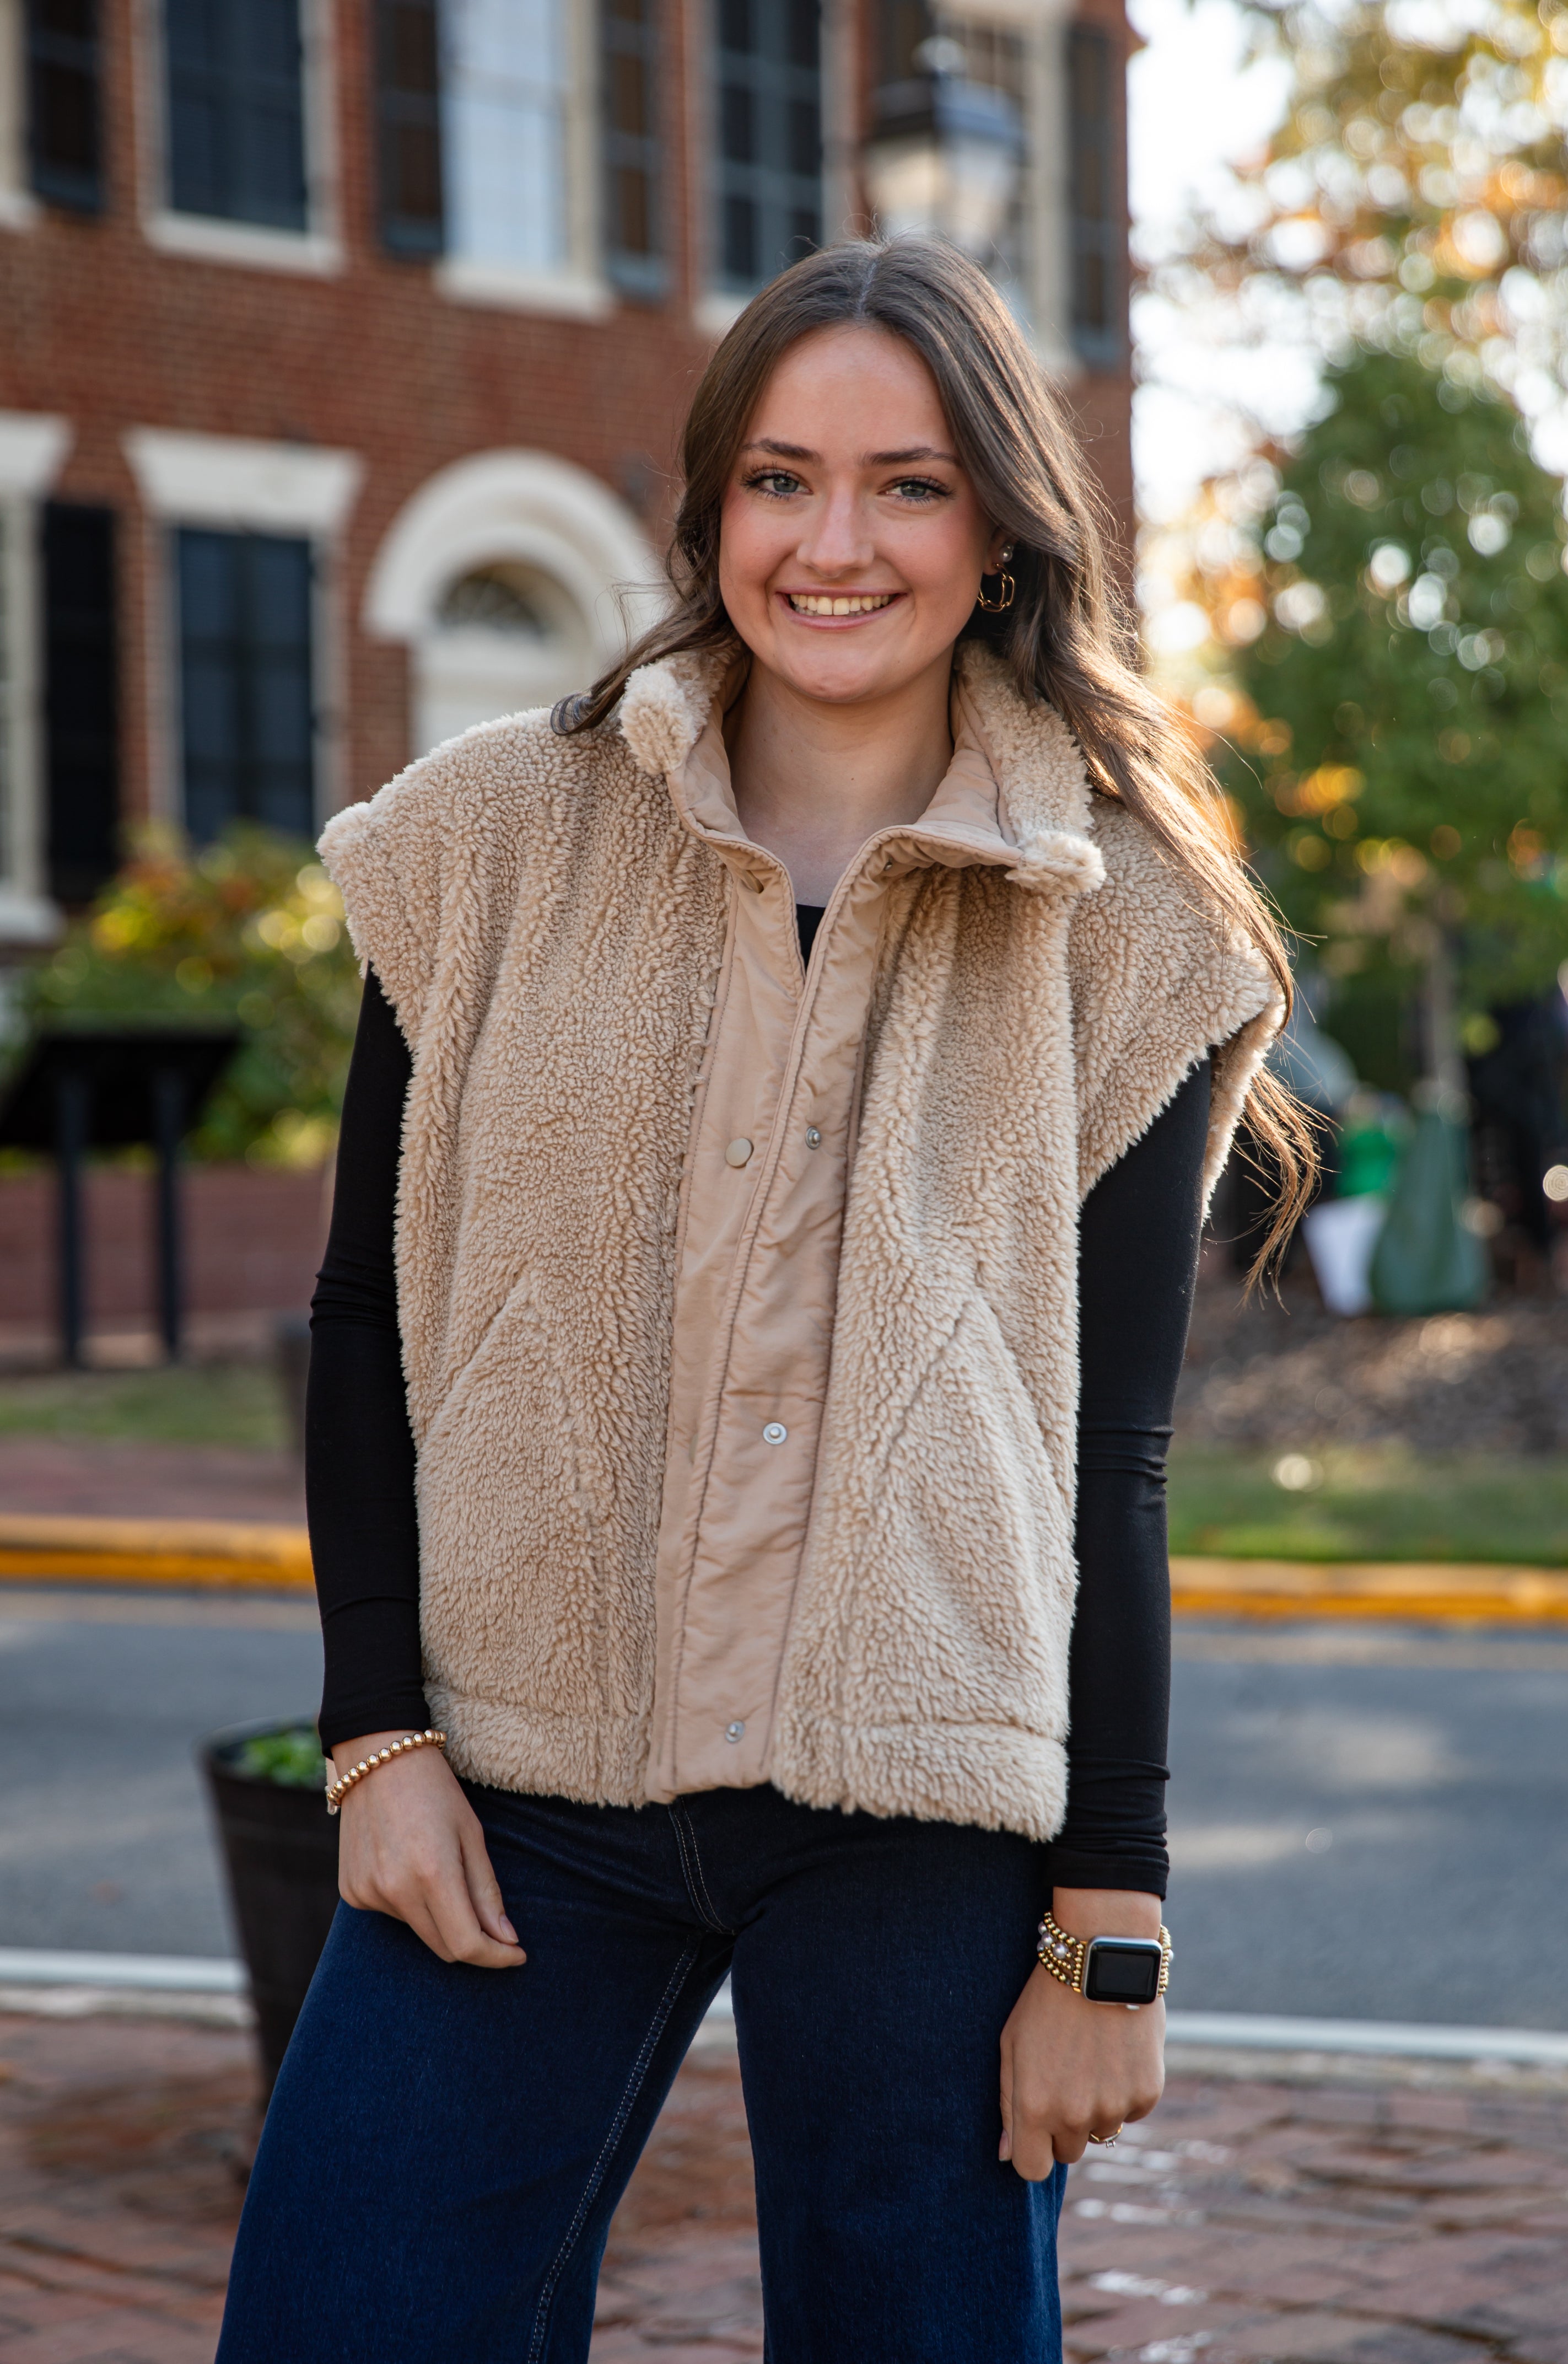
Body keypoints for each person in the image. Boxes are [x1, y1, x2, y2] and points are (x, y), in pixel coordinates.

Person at [217, 239, 1308, 2362]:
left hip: (918, 1812)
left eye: (908, 485)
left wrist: (1110, 1924)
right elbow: (367, 1312)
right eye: (781, 480)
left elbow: (1109, 1456)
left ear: (998, 530)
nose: (833, 545)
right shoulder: (484, 843)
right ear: (711, 506)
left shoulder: (1133, 927)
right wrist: (377, 1737)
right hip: (519, 1773)